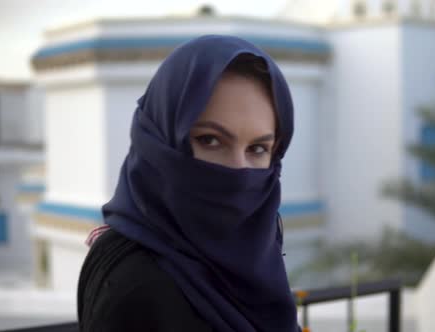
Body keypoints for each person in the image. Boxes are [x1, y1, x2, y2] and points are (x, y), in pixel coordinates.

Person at [77, 35, 300, 332]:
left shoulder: (252, 257)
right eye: (210, 140)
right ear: (157, 141)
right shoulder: (137, 288)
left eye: (257, 149)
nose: (238, 171)